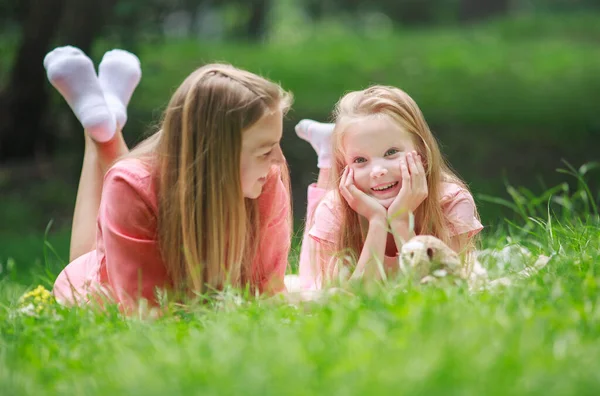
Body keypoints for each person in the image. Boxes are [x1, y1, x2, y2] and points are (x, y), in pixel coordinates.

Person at [45, 46, 293, 311]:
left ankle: (102, 124)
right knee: (88, 258)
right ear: (221, 155)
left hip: (136, 262)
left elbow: (267, 293)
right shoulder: (131, 185)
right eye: (266, 150)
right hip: (102, 291)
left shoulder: (266, 182)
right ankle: (98, 130)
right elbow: (148, 311)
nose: (279, 159)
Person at [295, 85, 483, 290]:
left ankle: (335, 147)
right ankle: (327, 157)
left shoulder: (450, 201)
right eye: (360, 159)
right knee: (308, 279)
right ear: (345, 166)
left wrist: (400, 219)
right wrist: (377, 221)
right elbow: (348, 301)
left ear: (421, 149)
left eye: (391, 152)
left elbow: (444, 291)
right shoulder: (334, 209)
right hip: (334, 206)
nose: (378, 171)